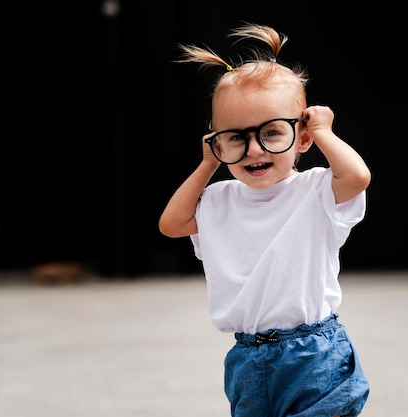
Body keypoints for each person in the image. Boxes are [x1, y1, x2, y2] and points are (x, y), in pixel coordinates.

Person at [159, 23, 371, 417]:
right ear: (217, 142)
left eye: (272, 133)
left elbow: (358, 177)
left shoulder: (315, 190)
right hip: (248, 358)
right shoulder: (219, 200)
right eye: (236, 137)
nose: (254, 148)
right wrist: (208, 164)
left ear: (302, 139)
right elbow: (171, 224)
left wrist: (324, 131)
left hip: (314, 353)